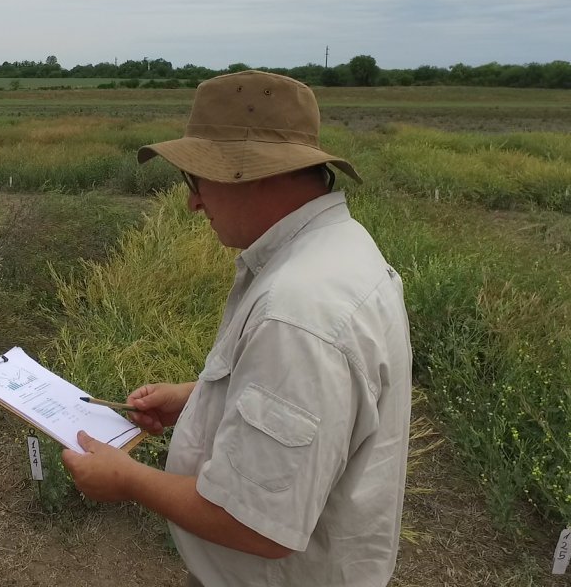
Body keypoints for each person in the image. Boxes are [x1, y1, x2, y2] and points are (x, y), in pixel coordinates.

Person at [62, 71, 412, 586]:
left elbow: (256, 527)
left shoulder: (296, 313)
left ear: (249, 173)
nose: (193, 202)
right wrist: (200, 397)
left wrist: (129, 480)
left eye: (196, 180)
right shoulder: (341, 249)